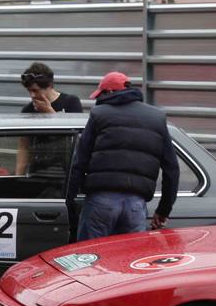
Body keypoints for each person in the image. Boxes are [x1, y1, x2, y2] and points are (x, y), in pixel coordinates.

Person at [65, 71, 179, 241]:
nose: (99, 99)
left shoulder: (99, 114)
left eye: (101, 94)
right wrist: (163, 211)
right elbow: (172, 169)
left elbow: (79, 161)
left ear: (110, 92)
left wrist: (70, 200)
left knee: (89, 260)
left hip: (101, 203)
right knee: (129, 263)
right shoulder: (156, 117)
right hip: (136, 206)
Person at [17, 61, 82, 174]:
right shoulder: (28, 110)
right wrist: (19, 174)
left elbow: (77, 138)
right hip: (37, 171)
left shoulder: (70, 102)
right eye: (29, 91)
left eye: (35, 90)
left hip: (65, 172)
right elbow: (24, 147)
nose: (32, 95)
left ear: (50, 86)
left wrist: (49, 112)